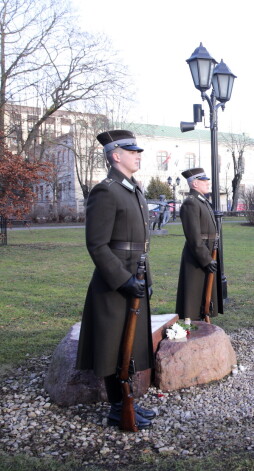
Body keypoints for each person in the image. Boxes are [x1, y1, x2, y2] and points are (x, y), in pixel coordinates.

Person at [76, 129, 156, 430]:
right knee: (114, 345)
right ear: (116, 155)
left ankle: (128, 401)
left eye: (138, 151)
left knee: (130, 342)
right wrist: (122, 279)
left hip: (135, 274)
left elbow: (142, 243)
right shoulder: (106, 190)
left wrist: (145, 277)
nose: (138, 155)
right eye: (132, 151)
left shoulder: (132, 188)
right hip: (115, 283)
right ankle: (118, 407)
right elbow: (97, 244)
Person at [175, 168, 219, 322]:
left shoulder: (202, 201)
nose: (207, 183)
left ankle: (202, 322)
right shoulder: (191, 203)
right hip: (197, 257)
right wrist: (206, 259)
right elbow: (194, 237)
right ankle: (192, 326)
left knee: (205, 293)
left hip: (207, 252)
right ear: (194, 183)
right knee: (194, 294)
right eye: (203, 181)